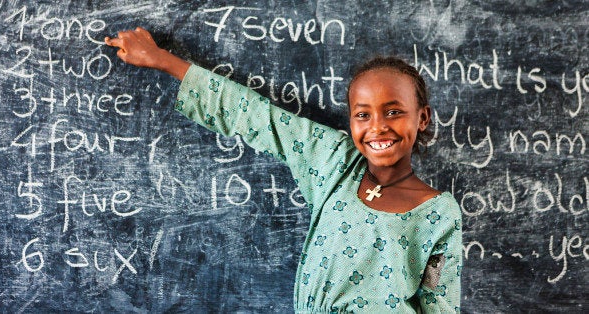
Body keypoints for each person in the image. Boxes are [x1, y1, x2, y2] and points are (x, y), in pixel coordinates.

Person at [105, 27, 462, 313]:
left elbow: (439, 304)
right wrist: (163, 61)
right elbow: (259, 117)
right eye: (363, 114)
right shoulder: (334, 162)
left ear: (423, 117)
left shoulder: (438, 212)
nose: (377, 127)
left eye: (394, 111)